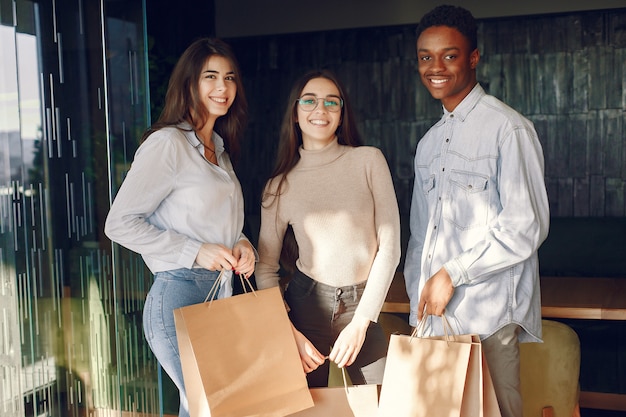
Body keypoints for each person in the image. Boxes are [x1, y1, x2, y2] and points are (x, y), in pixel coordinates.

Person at [403, 5, 550, 417]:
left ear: (473, 58)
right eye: (425, 57)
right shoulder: (429, 144)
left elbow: (525, 226)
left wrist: (453, 274)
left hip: (486, 318)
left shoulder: (508, 129)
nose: (436, 67)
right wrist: (420, 290)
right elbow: (420, 235)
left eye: (448, 55)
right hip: (433, 318)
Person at [104, 38, 256, 417]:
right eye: (210, 77)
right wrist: (195, 251)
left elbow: (217, 223)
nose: (223, 87)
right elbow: (119, 223)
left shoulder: (217, 149)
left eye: (230, 77)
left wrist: (241, 243)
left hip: (221, 295)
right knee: (212, 408)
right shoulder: (167, 143)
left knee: (213, 409)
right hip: (178, 296)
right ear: (190, 83)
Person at [256, 69, 401, 387]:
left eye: (331, 103)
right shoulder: (278, 186)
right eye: (309, 101)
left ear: (341, 113)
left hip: (362, 304)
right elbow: (265, 268)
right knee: (306, 407)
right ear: (295, 113)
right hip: (305, 306)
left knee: (386, 404)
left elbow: (390, 247)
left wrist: (362, 321)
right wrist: (287, 331)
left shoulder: (368, 161)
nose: (320, 110)